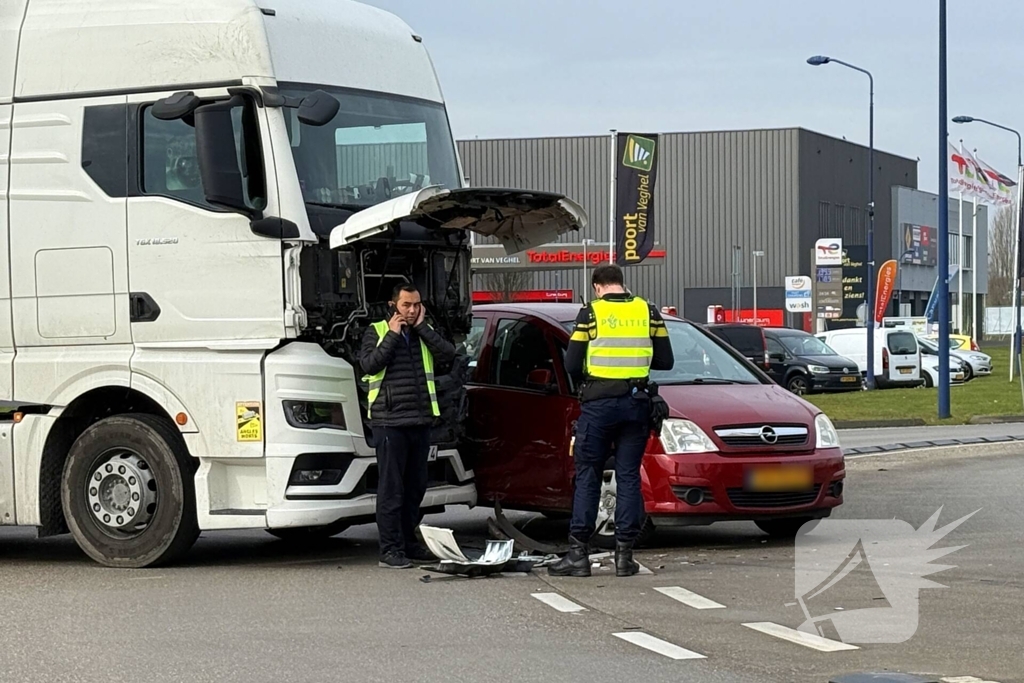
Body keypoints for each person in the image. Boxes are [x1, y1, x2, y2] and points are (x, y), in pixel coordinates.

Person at [549, 264, 674, 578]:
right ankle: (624, 557)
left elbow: (572, 363)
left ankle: (579, 555)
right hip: (637, 402)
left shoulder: (590, 313)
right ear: (621, 283)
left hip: (599, 404)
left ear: (596, 286)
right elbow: (665, 360)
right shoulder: (649, 311)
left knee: (589, 474)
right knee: (629, 475)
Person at [359, 283, 456, 569]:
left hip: (420, 419)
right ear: (394, 305)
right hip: (389, 422)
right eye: (406, 306)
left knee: (416, 487)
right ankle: (389, 550)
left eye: (416, 305)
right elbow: (369, 364)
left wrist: (423, 328)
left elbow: (448, 355)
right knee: (392, 489)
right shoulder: (376, 331)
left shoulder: (422, 333)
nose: (412, 311)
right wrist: (392, 333)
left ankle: (408, 543)